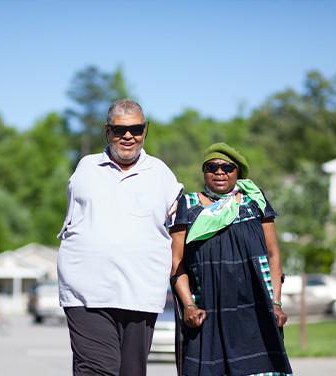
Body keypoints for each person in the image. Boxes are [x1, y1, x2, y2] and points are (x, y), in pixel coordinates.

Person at [57, 98, 183, 376]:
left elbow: (183, 227)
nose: (128, 136)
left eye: (136, 129)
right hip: (86, 293)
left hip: (141, 293)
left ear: (145, 130)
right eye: (119, 130)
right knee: (96, 369)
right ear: (107, 131)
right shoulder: (86, 168)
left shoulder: (161, 174)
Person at [170, 142, 292, 376]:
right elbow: (176, 261)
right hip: (208, 310)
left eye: (227, 167)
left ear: (238, 172)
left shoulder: (255, 202)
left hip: (255, 309)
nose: (219, 172)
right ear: (203, 172)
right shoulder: (189, 204)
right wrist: (189, 305)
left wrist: (276, 304)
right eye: (211, 167)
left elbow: (273, 254)